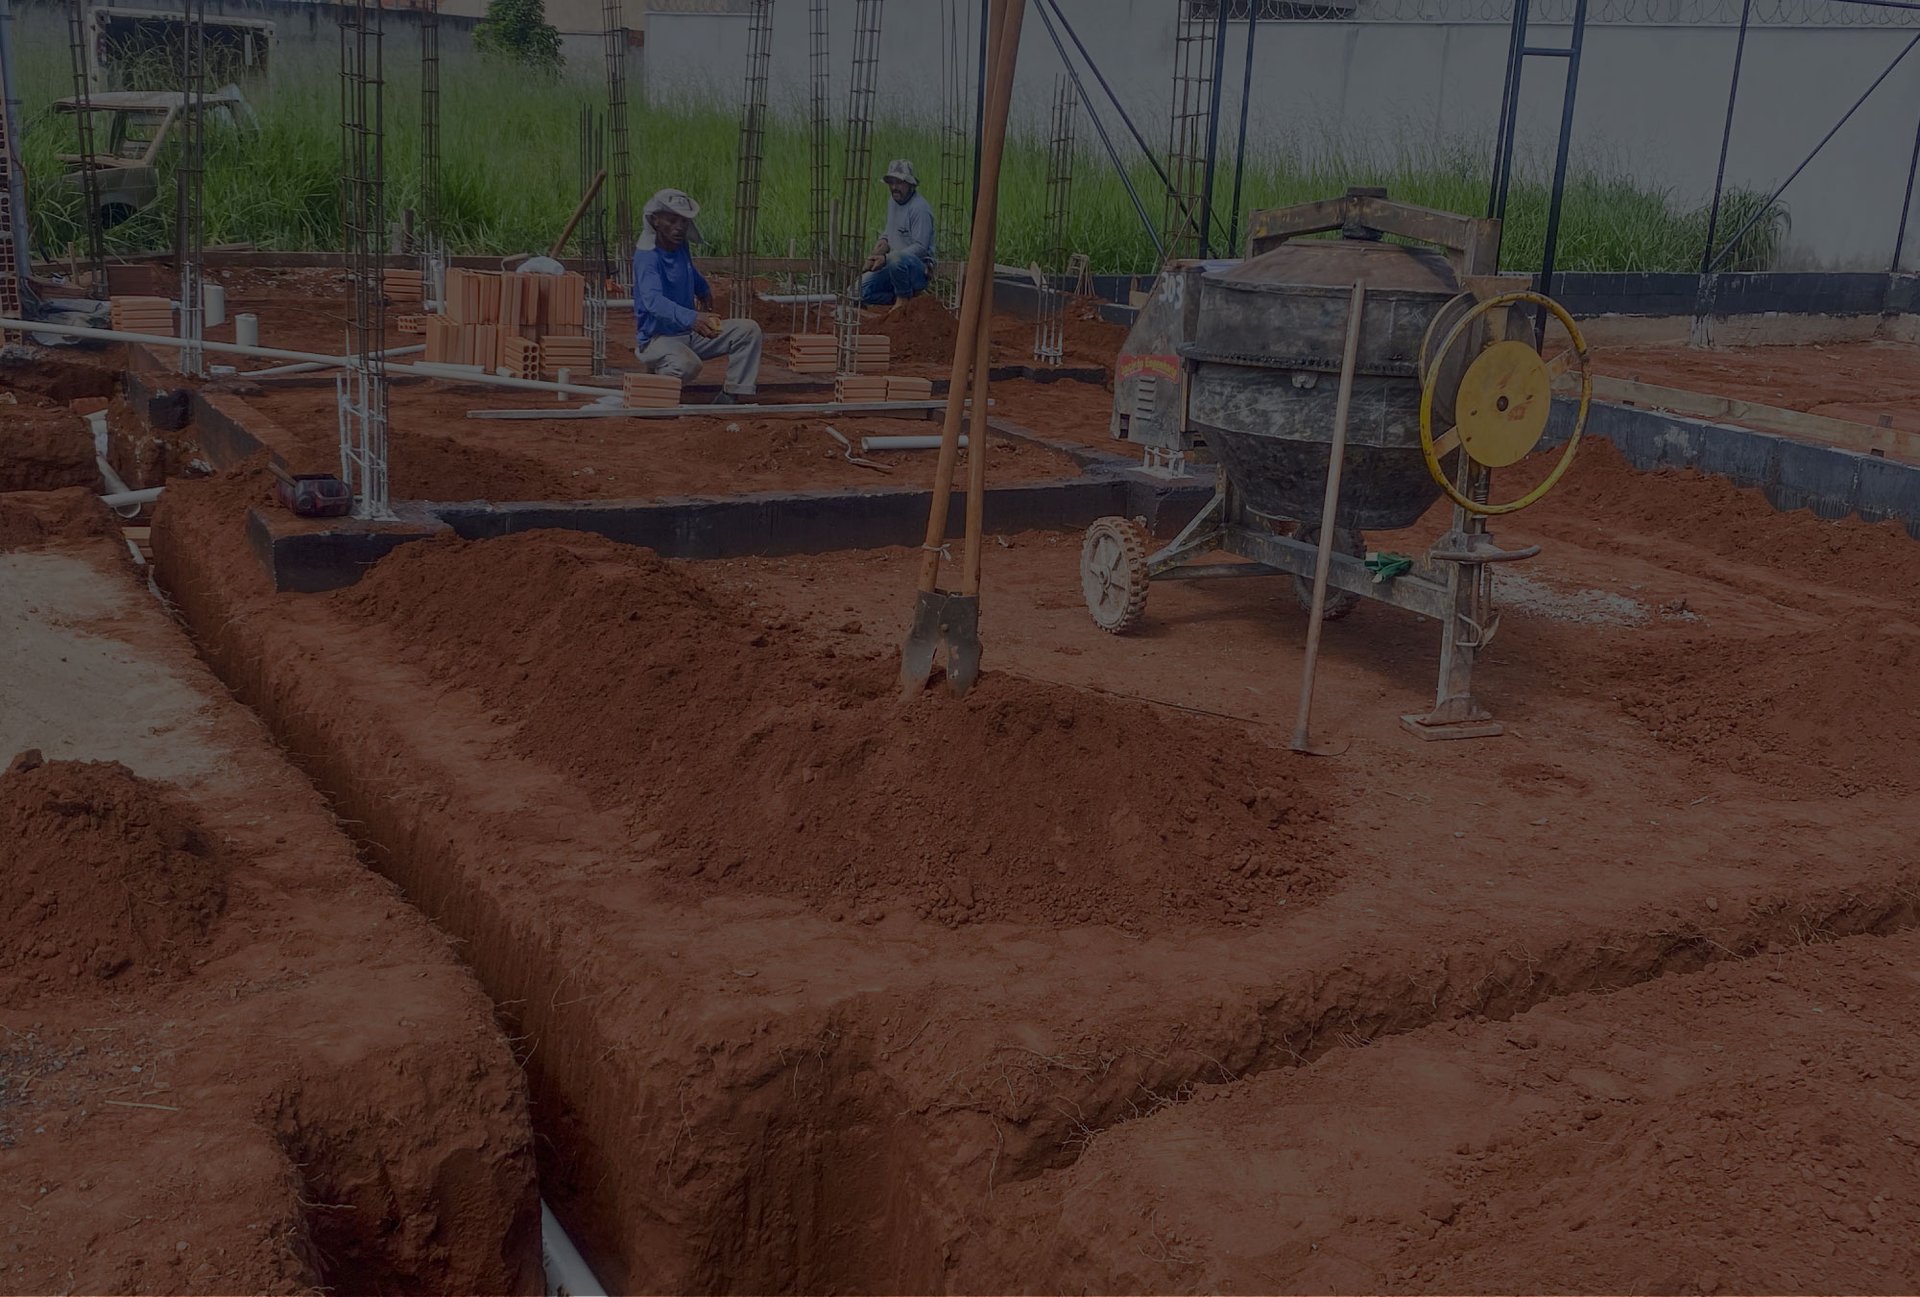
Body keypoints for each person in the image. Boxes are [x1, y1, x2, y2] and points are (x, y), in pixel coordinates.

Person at [632, 187, 763, 404]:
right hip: (658, 339)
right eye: (672, 220)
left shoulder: (679, 245)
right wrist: (692, 318)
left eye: (684, 221)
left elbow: (688, 270)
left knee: (748, 330)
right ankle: (653, 387)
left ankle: (731, 395)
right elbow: (653, 302)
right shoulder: (647, 257)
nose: (679, 227)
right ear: (655, 220)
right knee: (688, 365)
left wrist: (703, 288)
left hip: (688, 333)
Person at [859, 159, 937, 307]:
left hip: (916, 269)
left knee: (896, 259)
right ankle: (909, 301)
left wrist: (886, 258)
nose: (894, 187)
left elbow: (921, 248)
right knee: (857, 292)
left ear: (910, 184)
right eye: (891, 183)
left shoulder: (920, 209)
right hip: (893, 266)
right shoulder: (893, 202)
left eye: (899, 183)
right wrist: (877, 251)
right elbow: (889, 233)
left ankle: (903, 298)